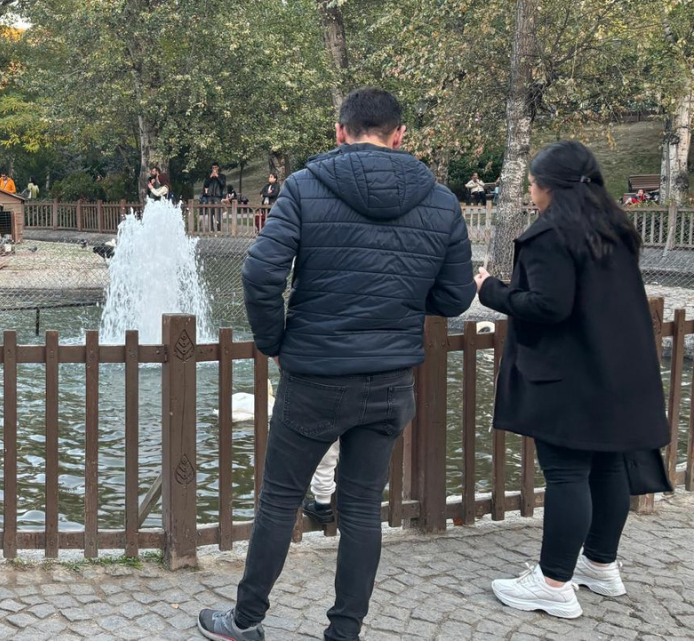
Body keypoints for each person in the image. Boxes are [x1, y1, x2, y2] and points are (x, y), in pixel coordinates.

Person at [200, 88, 475, 641]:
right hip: (391, 381)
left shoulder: (304, 188)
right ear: (400, 136)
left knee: (279, 498)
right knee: (362, 508)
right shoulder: (441, 202)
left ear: (339, 131)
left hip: (316, 378)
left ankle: (245, 620)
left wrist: (274, 340)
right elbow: (453, 299)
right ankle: (344, 632)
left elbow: (260, 275)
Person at [477, 141, 671, 619]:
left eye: (533, 182)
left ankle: (553, 582)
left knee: (567, 473)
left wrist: (491, 290)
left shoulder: (551, 234)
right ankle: (600, 564)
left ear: (550, 186)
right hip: (617, 369)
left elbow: (548, 306)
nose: (529, 189)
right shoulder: (615, 229)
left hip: (568, 374)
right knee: (607, 467)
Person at [201, 164, 228, 230]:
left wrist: (217, 176)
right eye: (213, 168)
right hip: (209, 196)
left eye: (215, 167)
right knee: (210, 213)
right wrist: (210, 177)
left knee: (218, 213)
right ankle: (211, 229)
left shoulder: (222, 176)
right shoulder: (209, 176)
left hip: (217, 196)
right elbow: (206, 185)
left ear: (218, 168)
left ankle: (219, 228)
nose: (214, 169)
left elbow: (222, 185)